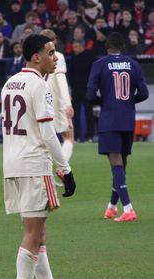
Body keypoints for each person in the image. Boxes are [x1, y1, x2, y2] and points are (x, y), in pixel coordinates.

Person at [1, 34, 76, 279]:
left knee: (38, 234)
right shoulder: (41, 85)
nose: (55, 57)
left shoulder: (10, 83)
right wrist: (65, 169)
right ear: (36, 57)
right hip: (34, 166)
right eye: (51, 52)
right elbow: (47, 133)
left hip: (12, 165)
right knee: (33, 235)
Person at [86, 32, 149, 222]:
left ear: (107, 46)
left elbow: (90, 95)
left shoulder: (100, 64)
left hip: (109, 119)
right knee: (122, 163)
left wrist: (103, 101)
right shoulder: (134, 64)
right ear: (124, 47)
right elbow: (144, 93)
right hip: (128, 119)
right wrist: (129, 101)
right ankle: (112, 207)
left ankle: (128, 208)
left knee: (116, 163)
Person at [40, 29, 74, 178]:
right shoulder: (57, 56)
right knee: (69, 137)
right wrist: (67, 103)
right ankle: (62, 168)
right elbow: (60, 80)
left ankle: (43, 173)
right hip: (55, 101)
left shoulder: (37, 57)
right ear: (53, 41)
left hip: (40, 99)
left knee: (44, 139)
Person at [68, 39, 95, 142]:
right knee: (75, 115)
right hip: (76, 90)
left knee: (89, 113)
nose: (74, 49)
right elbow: (70, 74)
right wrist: (72, 87)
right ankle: (77, 137)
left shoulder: (90, 58)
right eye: (73, 47)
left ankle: (90, 136)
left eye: (76, 47)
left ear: (82, 46)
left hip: (87, 90)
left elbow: (93, 74)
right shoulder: (72, 58)